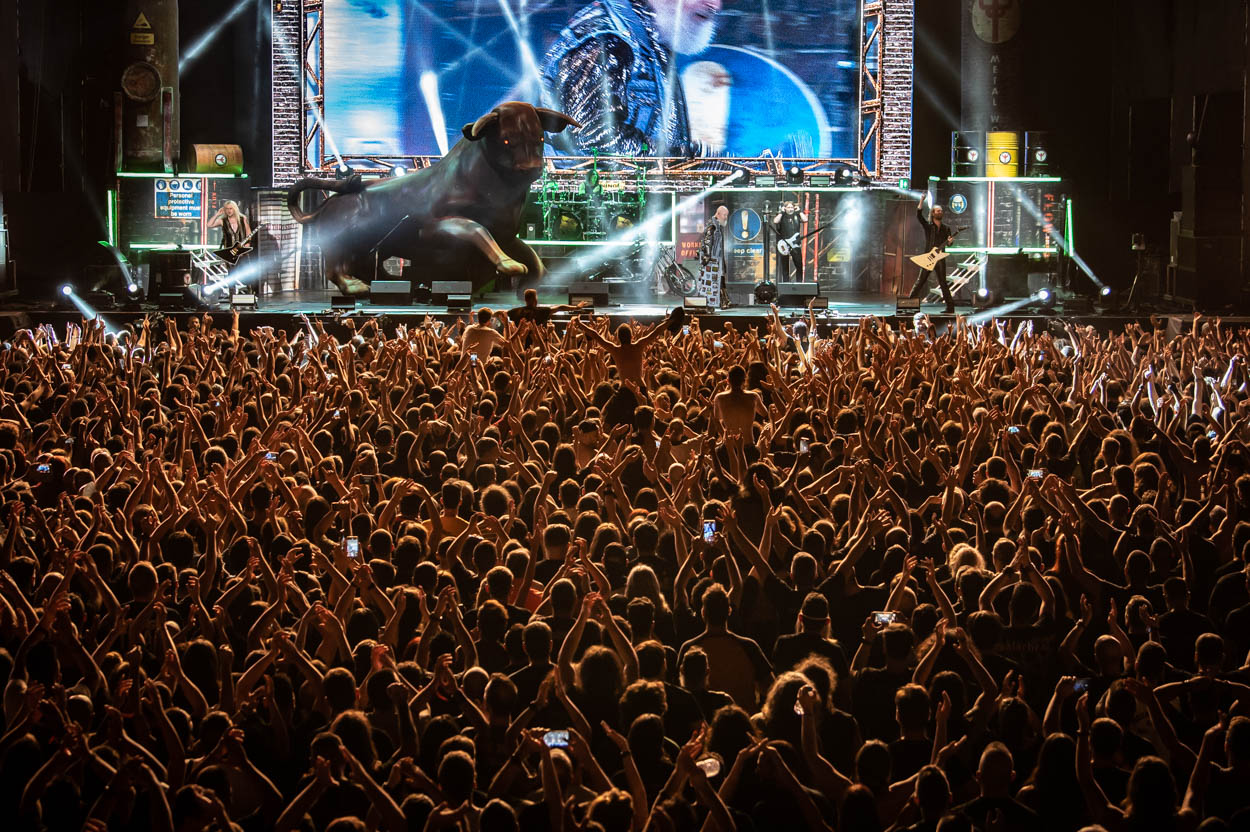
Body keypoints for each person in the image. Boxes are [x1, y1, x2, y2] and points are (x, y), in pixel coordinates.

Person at [541, 0, 723, 156]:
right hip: (597, 194)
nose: (713, 5)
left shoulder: (647, 39)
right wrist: (678, 159)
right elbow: (590, 135)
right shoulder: (608, 39)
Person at [908, 193, 957, 314]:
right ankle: (909, 306)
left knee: (943, 283)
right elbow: (919, 216)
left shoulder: (946, 228)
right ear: (933, 213)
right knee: (920, 282)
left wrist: (951, 242)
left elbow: (949, 244)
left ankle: (950, 308)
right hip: (928, 257)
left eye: (941, 211)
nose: (940, 212)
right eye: (937, 211)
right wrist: (921, 200)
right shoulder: (929, 227)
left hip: (940, 258)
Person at [697, 205, 730, 307]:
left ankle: (724, 301)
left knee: (720, 279)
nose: (725, 217)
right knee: (714, 281)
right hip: (713, 260)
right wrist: (707, 257)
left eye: (726, 215)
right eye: (724, 215)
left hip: (717, 259)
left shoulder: (718, 225)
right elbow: (707, 242)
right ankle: (721, 301)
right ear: (718, 213)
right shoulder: (713, 226)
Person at [773, 200, 809, 282]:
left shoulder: (797, 215)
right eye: (788, 207)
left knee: (799, 265)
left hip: (795, 244)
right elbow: (775, 221)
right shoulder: (782, 215)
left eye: (792, 207)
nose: (790, 209)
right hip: (784, 243)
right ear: (785, 208)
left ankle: (799, 284)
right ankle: (786, 284)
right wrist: (781, 212)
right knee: (785, 267)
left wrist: (799, 211)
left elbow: (805, 219)